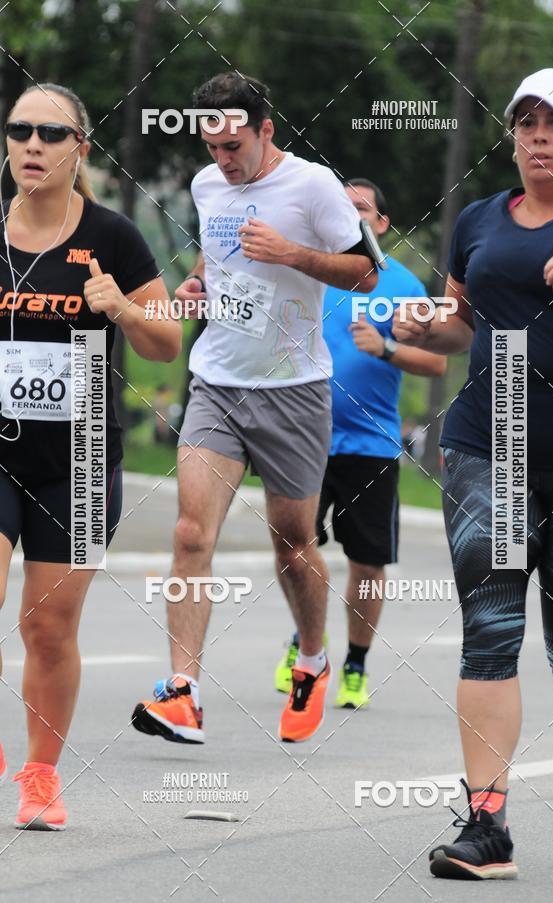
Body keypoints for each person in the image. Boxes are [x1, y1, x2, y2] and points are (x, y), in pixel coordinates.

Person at [392, 68, 553, 879]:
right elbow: (462, 323)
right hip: (491, 446)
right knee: (490, 631)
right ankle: (487, 827)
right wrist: (427, 323)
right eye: (525, 121)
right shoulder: (479, 219)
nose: (538, 135)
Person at [132, 72, 377, 746]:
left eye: (234, 146)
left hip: (294, 390)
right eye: (212, 147)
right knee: (190, 534)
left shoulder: (314, 186)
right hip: (216, 381)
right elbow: (215, 258)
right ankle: (182, 692)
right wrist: (196, 283)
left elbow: (367, 271)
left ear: (266, 130)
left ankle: (313, 659)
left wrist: (293, 253)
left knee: (293, 543)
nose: (223, 160)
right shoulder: (207, 185)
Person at [0, 83, 180, 830]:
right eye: (19, 130)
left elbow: (166, 343)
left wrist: (125, 309)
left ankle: (41, 775)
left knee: (48, 628)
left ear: (81, 147)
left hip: (78, 459)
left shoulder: (113, 238)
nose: (32, 145)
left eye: (51, 133)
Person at [274, 178, 446, 708]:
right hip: (304, 437)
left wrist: (386, 348)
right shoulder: (308, 273)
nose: (352, 217)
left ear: (383, 224)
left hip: (371, 445)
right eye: (343, 209)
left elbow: (436, 362)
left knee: (367, 565)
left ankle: (354, 664)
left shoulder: (404, 286)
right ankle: (307, 643)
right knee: (292, 550)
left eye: (363, 210)